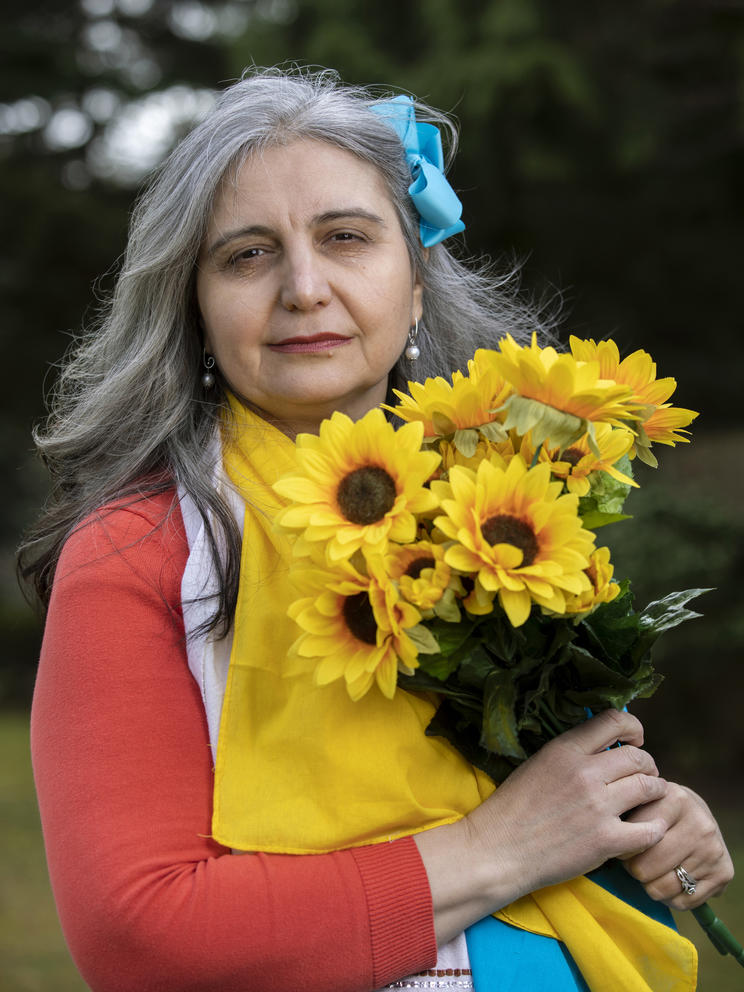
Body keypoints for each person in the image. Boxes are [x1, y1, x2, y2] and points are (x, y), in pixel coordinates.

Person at [22, 66, 733, 992]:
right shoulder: (144, 548)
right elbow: (138, 935)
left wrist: (647, 819)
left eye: (346, 238)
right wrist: (495, 850)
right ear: (192, 307)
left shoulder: (499, 507)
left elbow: (549, 786)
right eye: (247, 255)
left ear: (418, 284)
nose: (304, 287)